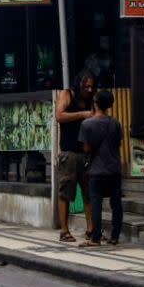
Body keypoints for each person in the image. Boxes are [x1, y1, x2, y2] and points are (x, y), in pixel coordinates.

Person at [78, 89, 123, 247]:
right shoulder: (115, 122)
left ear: (95, 103)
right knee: (116, 203)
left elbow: (86, 148)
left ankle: (95, 238)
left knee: (96, 203)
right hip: (114, 169)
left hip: (96, 170)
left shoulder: (87, 124)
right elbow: (118, 144)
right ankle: (115, 236)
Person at [55, 70, 95, 242]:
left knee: (89, 192)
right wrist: (82, 115)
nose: (89, 89)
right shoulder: (66, 94)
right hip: (69, 153)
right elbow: (59, 116)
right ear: (79, 84)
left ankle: (91, 229)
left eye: (92, 87)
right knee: (65, 191)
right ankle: (64, 230)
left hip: (85, 152)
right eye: (86, 86)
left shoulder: (90, 99)